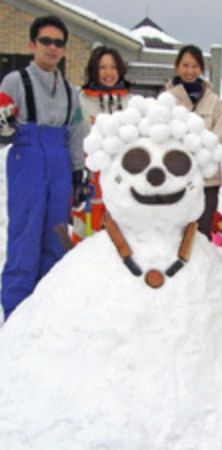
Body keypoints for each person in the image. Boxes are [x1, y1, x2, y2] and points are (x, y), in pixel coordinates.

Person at [0, 16, 86, 320]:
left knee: (56, 236)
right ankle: (15, 316)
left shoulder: (69, 91)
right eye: (46, 41)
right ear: (32, 44)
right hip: (28, 159)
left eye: (58, 43)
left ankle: (47, 317)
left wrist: (77, 171)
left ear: (64, 50)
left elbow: (77, 132)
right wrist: (5, 129)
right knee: (25, 236)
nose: (52, 48)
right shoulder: (15, 81)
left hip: (60, 161)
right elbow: (2, 124)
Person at [166, 44, 222, 239]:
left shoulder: (213, 100)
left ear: (202, 69)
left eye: (195, 66)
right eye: (185, 65)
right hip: (176, 178)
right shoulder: (167, 99)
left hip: (207, 179)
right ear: (177, 67)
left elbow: (219, 136)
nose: (190, 71)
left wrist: (201, 156)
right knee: (176, 234)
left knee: (202, 233)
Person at [72, 45, 131, 243]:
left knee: (121, 232)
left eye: (113, 67)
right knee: (87, 230)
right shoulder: (80, 100)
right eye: (102, 67)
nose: (108, 73)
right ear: (94, 70)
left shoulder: (130, 101)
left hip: (123, 177)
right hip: (91, 178)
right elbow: (73, 138)